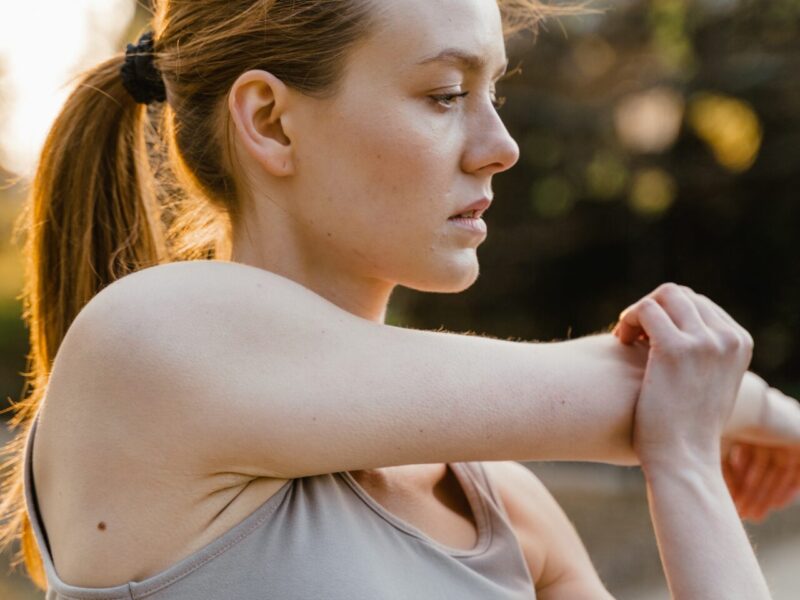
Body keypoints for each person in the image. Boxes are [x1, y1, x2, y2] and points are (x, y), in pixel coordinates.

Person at [0, 0, 798, 598]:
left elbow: (649, 397)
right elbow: (631, 389)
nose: (501, 147)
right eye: (446, 94)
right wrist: (746, 410)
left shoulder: (506, 507)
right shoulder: (149, 341)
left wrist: (690, 464)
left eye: (496, 94)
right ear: (271, 122)